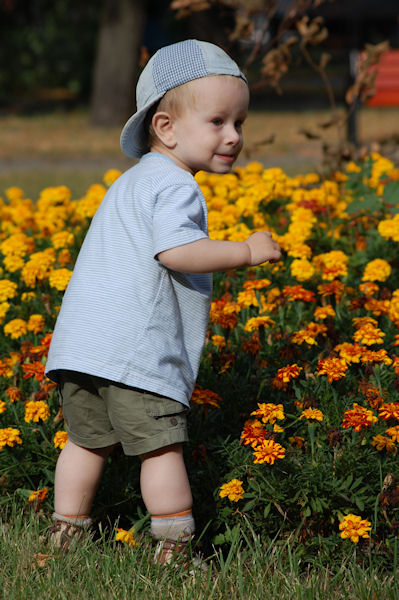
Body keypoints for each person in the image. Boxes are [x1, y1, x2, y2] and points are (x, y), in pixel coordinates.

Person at [45, 39, 281, 566]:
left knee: (85, 444)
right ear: (166, 127)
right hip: (136, 353)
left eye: (240, 122)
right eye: (218, 121)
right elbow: (177, 251)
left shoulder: (130, 183)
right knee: (161, 449)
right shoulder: (176, 186)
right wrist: (245, 251)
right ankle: (173, 553)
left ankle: (65, 537)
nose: (234, 136)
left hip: (82, 349)